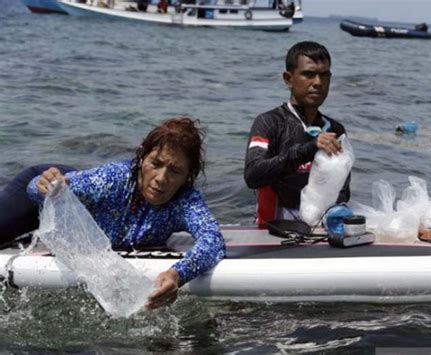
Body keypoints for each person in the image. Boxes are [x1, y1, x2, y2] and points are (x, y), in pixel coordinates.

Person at [1, 118, 225, 309]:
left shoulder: (185, 200)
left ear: (188, 176)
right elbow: (39, 191)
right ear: (141, 159)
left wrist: (179, 274)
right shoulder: (113, 180)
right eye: (155, 164)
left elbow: (213, 240)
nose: (161, 178)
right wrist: (44, 186)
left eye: (175, 171)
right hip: (39, 192)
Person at [244, 41, 351, 226]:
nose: (318, 83)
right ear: (288, 79)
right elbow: (253, 176)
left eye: (324, 75)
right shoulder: (269, 123)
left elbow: (342, 189)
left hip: (319, 231)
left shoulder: (335, 130)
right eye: (308, 75)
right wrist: (308, 149)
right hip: (272, 231)